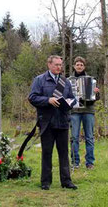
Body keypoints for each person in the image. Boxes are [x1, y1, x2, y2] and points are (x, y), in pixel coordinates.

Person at [28, 55, 78, 190]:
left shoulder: (65, 82)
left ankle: (66, 181)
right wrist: (48, 100)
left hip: (62, 121)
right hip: (47, 122)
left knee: (64, 153)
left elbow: (72, 98)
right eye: (56, 65)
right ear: (49, 65)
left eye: (60, 65)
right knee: (47, 152)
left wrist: (70, 102)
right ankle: (45, 182)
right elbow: (32, 97)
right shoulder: (39, 80)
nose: (59, 67)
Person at [70, 56, 99, 169]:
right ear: (74, 66)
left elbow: (96, 98)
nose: (79, 66)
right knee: (74, 137)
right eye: (77, 64)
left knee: (89, 137)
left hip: (88, 110)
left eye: (81, 64)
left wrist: (96, 93)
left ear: (84, 66)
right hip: (75, 111)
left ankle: (90, 162)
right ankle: (75, 162)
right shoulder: (69, 80)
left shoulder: (91, 80)